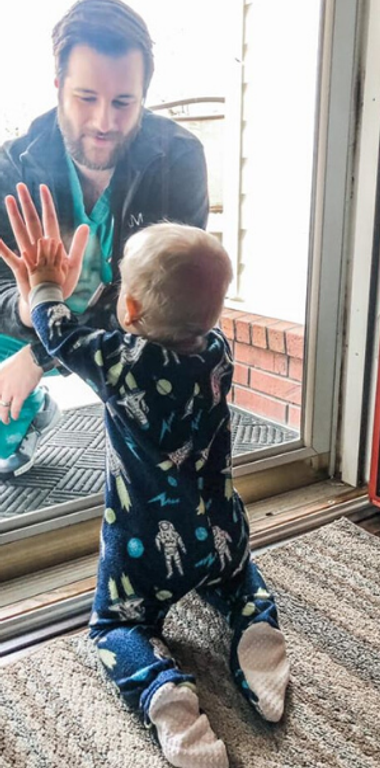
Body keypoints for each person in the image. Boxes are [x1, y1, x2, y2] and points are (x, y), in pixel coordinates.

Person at [3, 186, 288, 768]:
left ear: (128, 312)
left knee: (111, 627)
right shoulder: (218, 351)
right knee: (240, 579)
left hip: (146, 550)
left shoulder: (123, 365)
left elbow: (59, 333)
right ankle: (255, 627)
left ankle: (166, 696)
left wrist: (49, 284)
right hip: (223, 532)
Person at [0, 0, 208, 475]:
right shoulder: (13, 165)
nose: (104, 123)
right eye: (86, 98)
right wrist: (34, 313)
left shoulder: (177, 160)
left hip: (139, 331)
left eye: (123, 102)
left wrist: (40, 355)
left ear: (144, 96)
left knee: (169, 451)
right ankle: (28, 419)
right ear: (57, 86)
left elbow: (169, 301)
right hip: (38, 318)